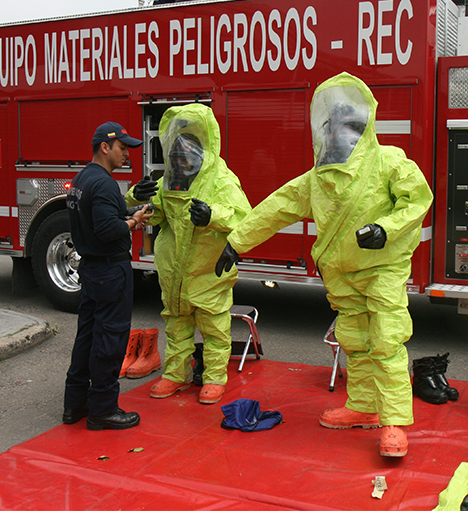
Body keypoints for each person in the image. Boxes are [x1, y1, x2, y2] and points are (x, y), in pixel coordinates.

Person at [215, 73, 434, 457]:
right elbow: (275, 209)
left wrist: (386, 228)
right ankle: (364, 406)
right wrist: (236, 242)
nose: (339, 135)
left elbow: (417, 201)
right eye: (332, 126)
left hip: (382, 271)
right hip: (343, 276)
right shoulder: (318, 179)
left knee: (385, 341)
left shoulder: (389, 162)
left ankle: (395, 422)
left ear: (363, 128)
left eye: (348, 126)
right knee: (355, 341)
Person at [126, 104, 251, 405]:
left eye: (186, 152)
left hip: (208, 271)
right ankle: (175, 376)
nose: (181, 158)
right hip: (174, 275)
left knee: (215, 329)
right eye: (177, 152)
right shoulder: (171, 178)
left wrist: (212, 215)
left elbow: (244, 217)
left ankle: (214, 379)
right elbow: (153, 214)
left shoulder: (220, 179)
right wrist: (136, 195)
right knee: (177, 326)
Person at [63, 121, 154, 431]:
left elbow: (98, 221)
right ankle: (103, 409)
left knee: (87, 336)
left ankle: (75, 404)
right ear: (105, 147)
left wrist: (129, 215)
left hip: (91, 269)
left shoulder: (82, 179)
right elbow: (106, 229)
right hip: (109, 271)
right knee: (110, 340)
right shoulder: (103, 183)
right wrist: (133, 223)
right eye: (122, 148)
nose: (126, 154)